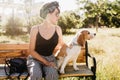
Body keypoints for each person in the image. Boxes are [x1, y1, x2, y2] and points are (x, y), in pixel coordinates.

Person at [27, 1, 64, 80]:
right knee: (36, 75)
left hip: (50, 59)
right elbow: (31, 51)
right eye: (56, 14)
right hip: (35, 59)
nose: (58, 17)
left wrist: (55, 55)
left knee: (52, 75)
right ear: (48, 14)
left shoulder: (58, 29)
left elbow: (61, 45)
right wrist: (46, 62)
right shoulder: (35, 29)